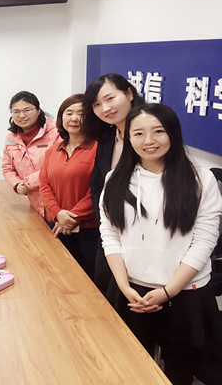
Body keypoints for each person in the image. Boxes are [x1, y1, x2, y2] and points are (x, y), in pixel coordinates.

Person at [100, 103, 222, 385]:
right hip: (132, 291)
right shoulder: (115, 180)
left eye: (158, 131)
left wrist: (169, 291)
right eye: (138, 133)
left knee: (180, 369)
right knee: (131, 366)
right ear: (128, 138)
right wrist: (124, 286)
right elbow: (110, 234)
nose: (149, 140)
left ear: (173, 133)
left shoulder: (200, 179)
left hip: (184, 293)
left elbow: (204, 240)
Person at [83, 73, 145, 297]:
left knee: (132, 298)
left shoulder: (148, 138)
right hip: (110, 233)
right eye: (97, 104)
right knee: (105, 294)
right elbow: (97, 185)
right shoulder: (107, 137)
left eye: (110, 98)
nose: (105, 108)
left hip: (141, 237)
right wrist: (106, 224)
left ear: (129, 93)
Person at [39, 94, 99, 277]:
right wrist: (58, 214)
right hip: (58, 224)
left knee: (89, 279)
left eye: (81, 113)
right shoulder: (53, 150)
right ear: (61, 117)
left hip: (90, 229)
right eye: (69, 112)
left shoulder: (99, 149)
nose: (74, 118)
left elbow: (99, 189)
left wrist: (72, 217)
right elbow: (44, 185)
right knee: (63, 276)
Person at [2, 91, 60, 219]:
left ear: (38, 110)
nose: (22, 115)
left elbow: (57, 166)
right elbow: (7, 168)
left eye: (27, 110)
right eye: (16, 112)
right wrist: (17, 184)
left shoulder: (56, 132)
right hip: (33, 203)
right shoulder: (11, 138)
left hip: (57, 201)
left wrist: (28, 183)